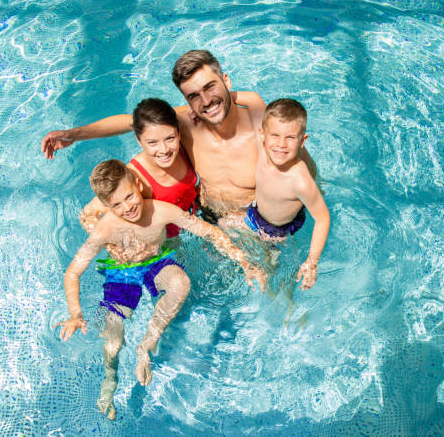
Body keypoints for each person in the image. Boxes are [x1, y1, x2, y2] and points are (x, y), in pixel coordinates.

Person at [54, 159, 266, 421]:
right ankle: (109, 384)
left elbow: (210, 232)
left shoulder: (161, 211)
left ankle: (147, 344)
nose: (127, 207)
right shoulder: (105, 228)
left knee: (181, 283)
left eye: (129, 197)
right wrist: (75, 314)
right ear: (106, 207)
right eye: (116, 205)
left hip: (155, 261)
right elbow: (72, 272)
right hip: (122, 272)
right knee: (112, 343)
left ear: (139, 185)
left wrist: (243, 260)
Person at [41, 49, 316, 225]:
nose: (206, 101)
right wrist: (73, 135)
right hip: (206, 218)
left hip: (257, 222)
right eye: (194, 96)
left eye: (210, 87)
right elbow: (131, 122)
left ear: (227, 82)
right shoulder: (185, 123)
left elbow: (304, 171)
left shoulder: (262, 129)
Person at [77, 98, 198, 238]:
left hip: (192, 220)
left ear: (179, 132)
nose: (164, 150)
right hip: (165, 242)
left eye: (170, 138)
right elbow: (88, 214)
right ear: (139, 141)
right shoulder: (135, 176)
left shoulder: (184, 147)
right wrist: (113, 244)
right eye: (152, 143)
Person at [242, 98, 330, 289]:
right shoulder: (263, 149)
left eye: (290, 137)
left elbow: (323, 218)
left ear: (302, 140)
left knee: (271, 273)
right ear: (262, 135)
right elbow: (253, 103)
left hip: (279, 231)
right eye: (275, 135)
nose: (281, 144)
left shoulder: (299, 180)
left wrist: (312, 262)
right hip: (254, 214)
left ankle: (285, 301)